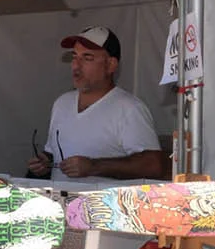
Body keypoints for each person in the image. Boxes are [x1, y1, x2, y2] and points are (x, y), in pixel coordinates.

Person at [25, 27, 167, 181]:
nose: (76, 66)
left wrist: (94, 167)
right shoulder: (62, 103)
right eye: (74, 56)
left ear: (111, 65)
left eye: (87, 58)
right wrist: (45, 163)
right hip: (59, 196)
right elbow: (54, 152)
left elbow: (153, 166)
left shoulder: (129, 108)